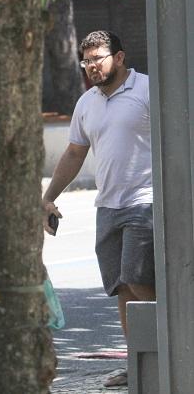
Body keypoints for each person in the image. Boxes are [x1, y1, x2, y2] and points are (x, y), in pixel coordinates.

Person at [42, 30, 155, 388]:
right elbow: (75, 153)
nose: (91, 66)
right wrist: (49, 196)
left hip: (145, 200)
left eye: (98, 58)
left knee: (138, 278)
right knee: (121, 286)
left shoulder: (147, 90)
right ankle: (137, 361)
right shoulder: (87, 102)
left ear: (119, 58)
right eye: (86, 61)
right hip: (108, 205)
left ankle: (176, 344)